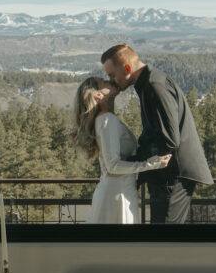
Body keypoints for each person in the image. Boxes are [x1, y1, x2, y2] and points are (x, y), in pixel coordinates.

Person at [101, 43, 213, 224]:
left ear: (127, 68)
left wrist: (134, 161)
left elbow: (169, 139)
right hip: (168, 175)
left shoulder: (154, 85)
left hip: (171, 176)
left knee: (164, 241)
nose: (111, 80)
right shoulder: (150, 83)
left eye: (112, 75)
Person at [72, 75, 171, 224]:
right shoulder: (106, 120)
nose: (109, 81)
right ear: (98, 95)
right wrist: (152, 163)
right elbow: (112, 166)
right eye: (104, 82)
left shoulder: (105, 119)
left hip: (118, 191)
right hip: (117, 195)